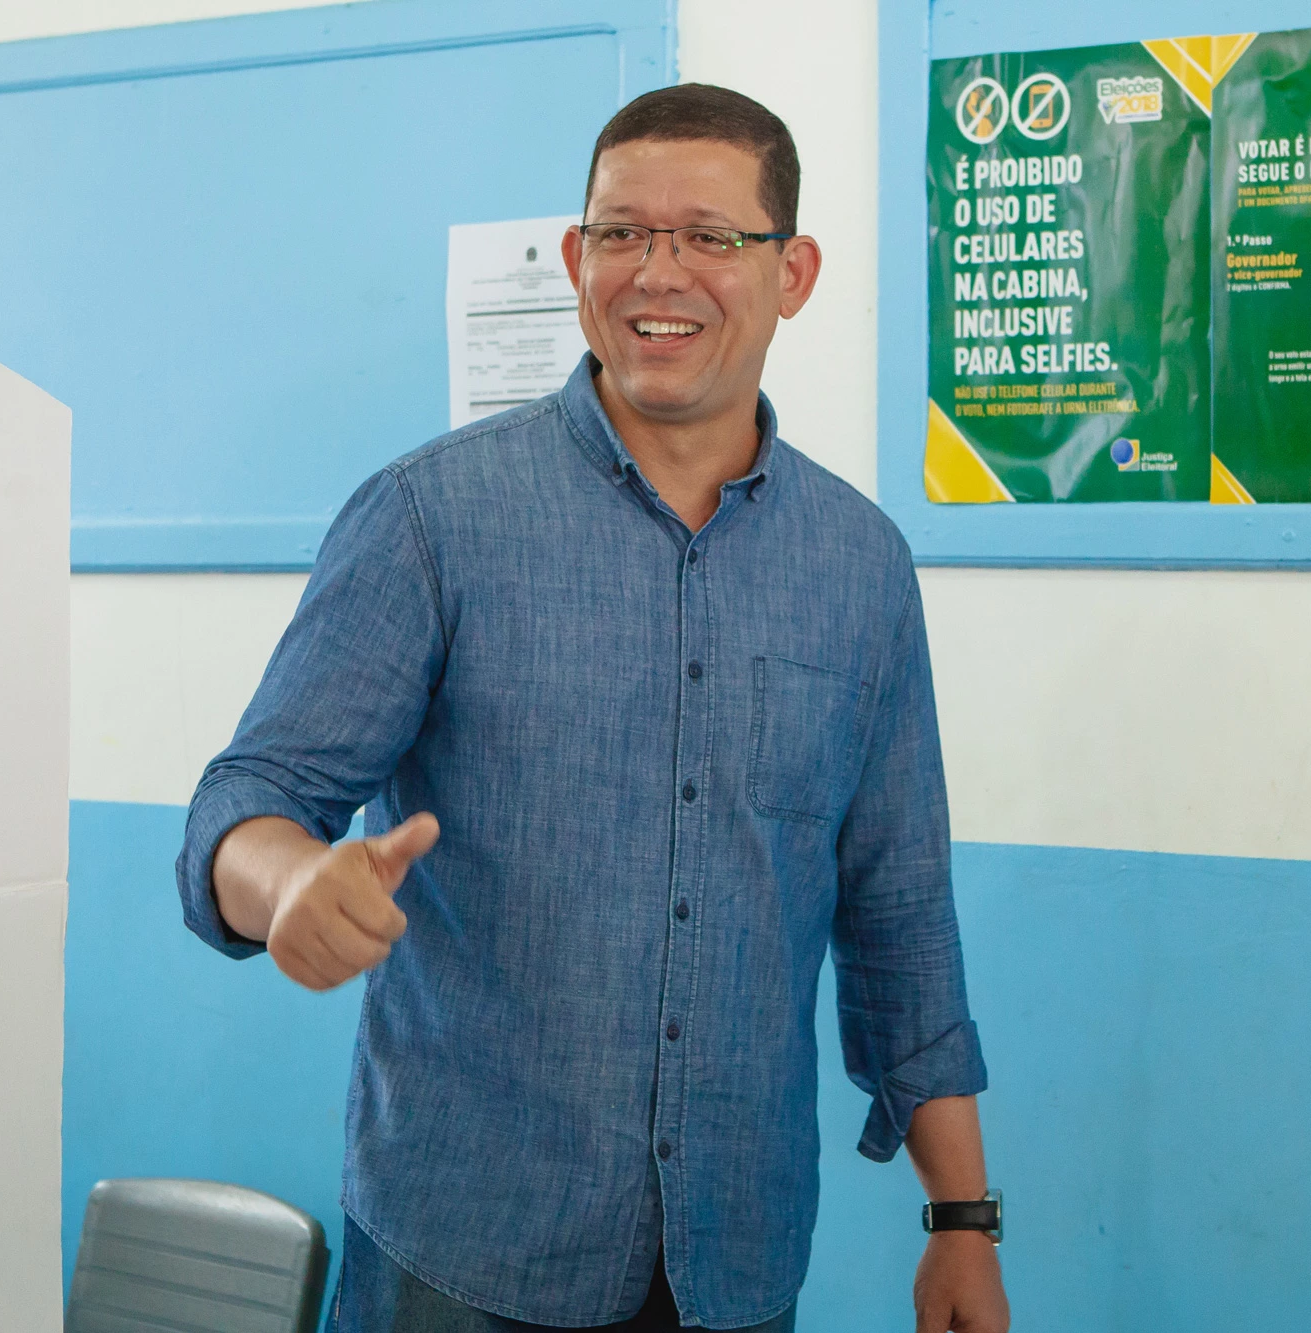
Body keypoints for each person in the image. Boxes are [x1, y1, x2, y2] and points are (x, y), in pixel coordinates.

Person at [177, 83, 1010, 1333]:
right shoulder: (431, 520)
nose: (654, 270)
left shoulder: (860, 568)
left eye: (708, 237)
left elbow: (897, 915)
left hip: (732, 1261)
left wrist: (961, 1221)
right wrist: (284, 879)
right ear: (576, 259)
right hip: (458, 1255)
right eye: (620, 232)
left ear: (792, 274)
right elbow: (246, 800)